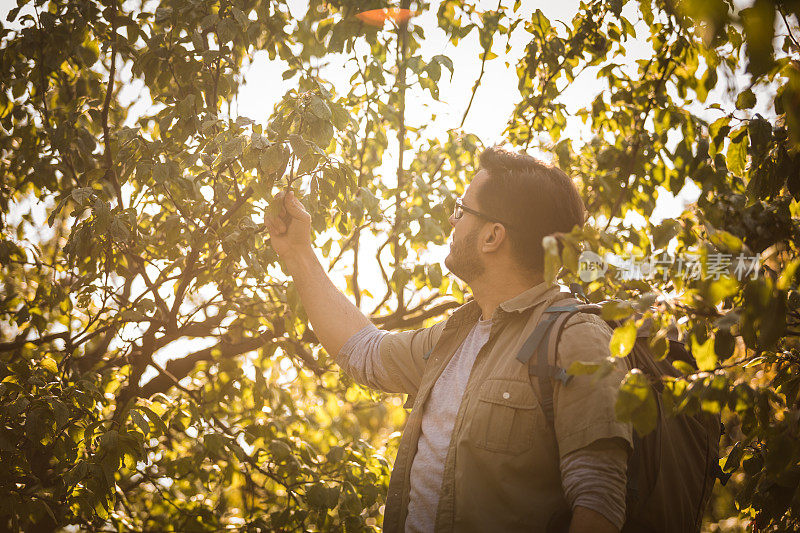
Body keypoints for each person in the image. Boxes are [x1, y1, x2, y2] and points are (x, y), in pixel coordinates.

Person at [265, 146, 632, 533]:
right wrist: (298, 253)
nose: (452, 220)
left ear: (493, 236)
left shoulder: (577, 338)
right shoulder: (456, 335)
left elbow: (599, 502)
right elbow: (364, 351)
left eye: (462, 209)